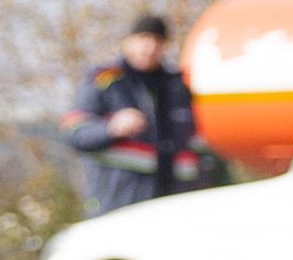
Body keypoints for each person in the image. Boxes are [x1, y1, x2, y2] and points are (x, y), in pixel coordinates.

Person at [65, 15, 203, 210]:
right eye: (144, 39)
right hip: (119, 202)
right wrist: (110, 129)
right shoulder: (105, 80)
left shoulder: (179, 86)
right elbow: (76, 134)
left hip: (176, 204)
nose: (150, 47)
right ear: (128, 42)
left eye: (158, 41)